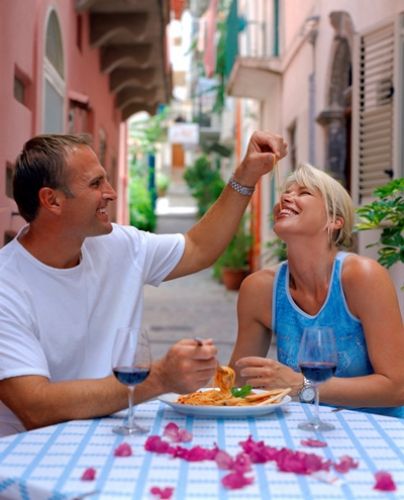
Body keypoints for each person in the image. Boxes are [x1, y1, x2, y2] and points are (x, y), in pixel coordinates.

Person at [0, 131, 287, 436]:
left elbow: (199, 249)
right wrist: (159, 378)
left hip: (115, 435)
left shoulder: (116, 243)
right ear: (52, 200)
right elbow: (34, 407)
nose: (111, 192)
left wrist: (247, 175)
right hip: (30, 456)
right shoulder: (7, 286)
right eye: (96, 183)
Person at [229, 162, 404, 417]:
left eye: (304, 193)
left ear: (334, 221)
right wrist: (193, 376)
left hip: (380, 432)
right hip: (303, 429)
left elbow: (397, 387)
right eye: (287, 192)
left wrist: (301, 385)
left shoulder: (363, 277)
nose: (287, 197)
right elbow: (238, 382)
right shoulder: (259, 289)